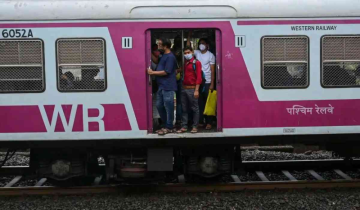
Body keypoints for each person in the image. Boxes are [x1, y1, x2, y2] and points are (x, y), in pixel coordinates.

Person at [147, 38, 177, 135]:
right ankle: (165, 124)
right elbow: (156, 61)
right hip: (161, 85)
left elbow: (166, 72)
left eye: (160, 44)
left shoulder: (170, 57)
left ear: (166, 46)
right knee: (159, 105)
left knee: (169, 107)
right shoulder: (163, 55)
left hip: (168, 85)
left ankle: (169, 126)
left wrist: (152, 73)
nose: (158, 45)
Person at [187, 32, 216, 130]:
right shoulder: (196, 53)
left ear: (207, 45)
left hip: (207, 82)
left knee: (208, 103)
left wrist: (212, 83)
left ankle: (209, 122)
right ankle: (201, 121)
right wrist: (189, 37)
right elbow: (188, 49)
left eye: (203, 43)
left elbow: (212, 70)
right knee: (199, 103)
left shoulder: (211, 55)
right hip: (198, 82)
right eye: (200, 43)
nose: (201, 45)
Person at [177, 46, 202, 134]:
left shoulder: (196, 63)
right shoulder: (186, 63)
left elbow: (199, 77)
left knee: (195, 108)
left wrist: (196, 90)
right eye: (185, 53)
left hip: (192, 89)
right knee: (184, 109)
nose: (187, 54)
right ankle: (184, 126)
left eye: (188, 52)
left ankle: (195, 126)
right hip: (184, 88)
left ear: (192, 52)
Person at [171, 35, 183, 127]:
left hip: (175, 78)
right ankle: (177, 119)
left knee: (177, 100)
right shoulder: (177, 52)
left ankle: (176, 119)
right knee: (177, 100)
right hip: (174, 77)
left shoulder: (171, 52)